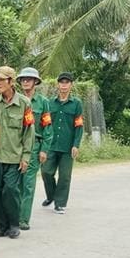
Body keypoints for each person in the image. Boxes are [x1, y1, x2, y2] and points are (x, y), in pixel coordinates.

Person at [0, 66, 34, 240]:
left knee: (10, 190)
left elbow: (28, 131)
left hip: (14, 157)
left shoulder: (24, 103)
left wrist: (26, 156)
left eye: (1, 79)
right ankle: (1, 225)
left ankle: (14, 224)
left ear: (11, 81)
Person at [41, 72, 84, 214]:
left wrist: (76, 145)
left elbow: (79, 125)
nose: (64, 85)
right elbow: (45, 124)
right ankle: (51, 196)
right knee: (46, 172)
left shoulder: (76, 104)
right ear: (58, 85)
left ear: (71, 85)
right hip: (51, 145)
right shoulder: (49, 103)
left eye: (67, 82)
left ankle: (59, 203)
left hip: (67, 147)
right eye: (61, 82)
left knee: (65, 176)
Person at [16, 67, 52, 229]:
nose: (26, 82)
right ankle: (13, 216)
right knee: (13, 183)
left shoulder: (43, 102)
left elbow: (47, 127)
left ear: (35, 82)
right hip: (15, 146)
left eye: (29, 79)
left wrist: (44, 149)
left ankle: (23, 219)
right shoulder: (14, 99)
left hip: (34, 145)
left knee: (28, 183)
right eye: (23, 79)